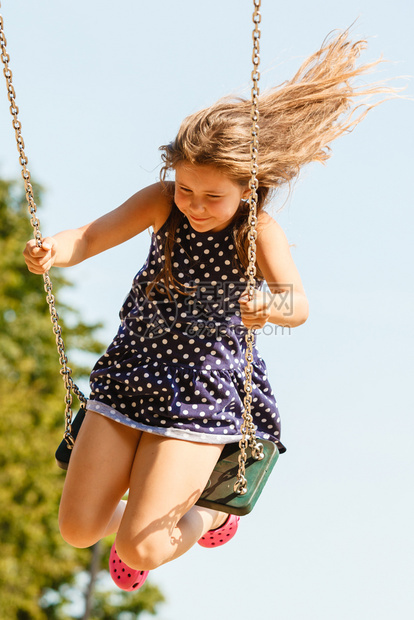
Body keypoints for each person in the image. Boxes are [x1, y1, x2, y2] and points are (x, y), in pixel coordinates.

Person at [23, 30, 389, 591]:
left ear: (248, 188)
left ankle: (213, 513)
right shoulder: (161, 202)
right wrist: (55, 252)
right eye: (187, 189)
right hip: (130, 373)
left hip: (201, 391)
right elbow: (91, 236)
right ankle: (138, 528)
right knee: (77, 529)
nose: (194, 205)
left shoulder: (258, 230)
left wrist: (268, 304)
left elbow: (299, 304)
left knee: (141, 545)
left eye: (212, 196)